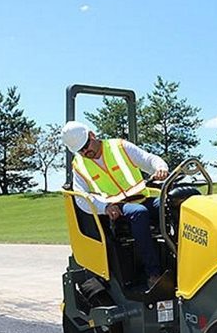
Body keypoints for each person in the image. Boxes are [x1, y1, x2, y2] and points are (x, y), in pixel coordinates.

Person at [61, 121, 168, 288]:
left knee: (172, 204)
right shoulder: (79, 165)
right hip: (118, 208)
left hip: (141, 198)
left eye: (86, 146)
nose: (85, 152)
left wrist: (160, 167)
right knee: (139, 213)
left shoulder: (119, 146)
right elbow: (82, 198)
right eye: (80, 150)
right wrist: (105, 208)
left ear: (92, 135)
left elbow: (148, 159)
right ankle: (153, 274)